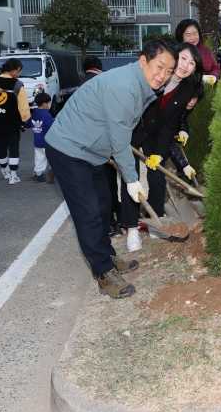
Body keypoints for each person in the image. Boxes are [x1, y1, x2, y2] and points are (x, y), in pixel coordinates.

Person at [45, 40, 177, 299]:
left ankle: (107, 256)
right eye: (159, 66)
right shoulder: (124, 86)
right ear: (143, 61)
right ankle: (103, 272)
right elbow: (120, 137)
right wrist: (131, 178)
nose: (163, 75)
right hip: (68, 150)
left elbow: (121, 130)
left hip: (92, 153)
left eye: (169, 70)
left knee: (104, 206)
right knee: (89, 212)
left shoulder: (139, 85)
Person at [120, 42, 204, 250]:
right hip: (133, 131)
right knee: (130, 179)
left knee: (157, 177)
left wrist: (159, 152)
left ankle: (157, 223)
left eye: (192, 63)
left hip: (156, 136)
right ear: (175, 57)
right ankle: (131, 229)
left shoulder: (185, 91)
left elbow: (169, 124)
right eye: (183, 58)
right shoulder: (157, 75)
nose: (185, 65)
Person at [0, 57, 31, 184]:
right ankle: (14, 176)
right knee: (14, 147)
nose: (19, 73)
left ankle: (5, 171)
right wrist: (26, 121)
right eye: (19, 71)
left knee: (1, 147)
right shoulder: (17, 85)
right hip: (12, 121)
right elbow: (23, 106)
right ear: (14, 70)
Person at [22, 92, 55, 182]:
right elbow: (52, 127)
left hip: (37, 141)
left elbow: (28, 124)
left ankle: (38, 173)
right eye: (48, 103)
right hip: (48, 141)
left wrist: (24, 128)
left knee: (39, 158)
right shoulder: (47, 115)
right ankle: (55, 171)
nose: (49, 104)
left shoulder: (34, 113)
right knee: (52, 157)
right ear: (44, 105)